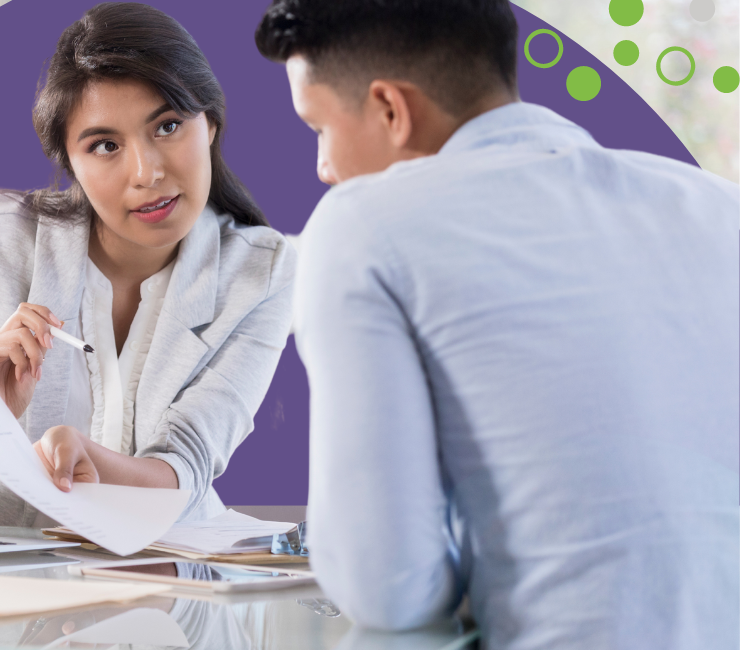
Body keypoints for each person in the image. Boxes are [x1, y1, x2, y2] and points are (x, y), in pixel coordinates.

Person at [254, 0, 739, 648]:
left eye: (318, 127)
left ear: (391, 109)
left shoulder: (360, 226)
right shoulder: (715, 206)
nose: (323, 167)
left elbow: (389, 588)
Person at [0, 2, 295, 527]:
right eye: (105, 145)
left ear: (209, 123)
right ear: (71, 163)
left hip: (169, 585)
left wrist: (93, 459)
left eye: (167, 126)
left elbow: (189, 463)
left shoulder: (263, 271)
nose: (146, 173)